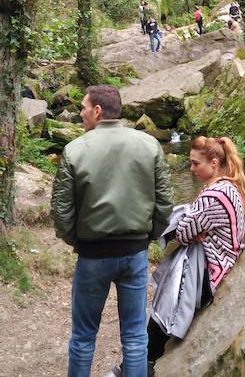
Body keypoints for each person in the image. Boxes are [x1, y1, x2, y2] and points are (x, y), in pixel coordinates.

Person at [51, 85, 173, 377]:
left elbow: (61, 212)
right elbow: (165, 203)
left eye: (83, 107)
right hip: (135, 254)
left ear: (97, 111)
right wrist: (148, 236)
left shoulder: (74, 150)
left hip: (93, 256)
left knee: (83, 337)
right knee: (134, 336)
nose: (80, 113)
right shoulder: (149, 145)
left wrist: (77, 240)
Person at [147, 136, 245, 372]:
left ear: (214, 163)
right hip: (223, 260)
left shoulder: (213, 197)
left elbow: (182, 233)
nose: (191, 169)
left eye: (195, 164)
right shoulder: (228, 186)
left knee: (168, 299)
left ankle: (145, 361)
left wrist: (188, 225)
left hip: (211, 271)